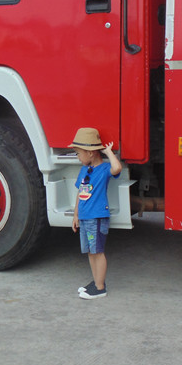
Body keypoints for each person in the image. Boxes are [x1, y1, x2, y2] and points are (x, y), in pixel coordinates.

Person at [70, 128, 122, 300]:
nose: (78, 157)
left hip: (97, 218)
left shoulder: (105, 169)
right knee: (90, 252)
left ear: (91, 153)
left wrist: (108, 152)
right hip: (85, 218)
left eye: (78, 153)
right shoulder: (84, 170)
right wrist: (76, 215)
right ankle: (96, 281)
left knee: (98, 252)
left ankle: (100, 288)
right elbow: (80, 193)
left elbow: (117, 168)